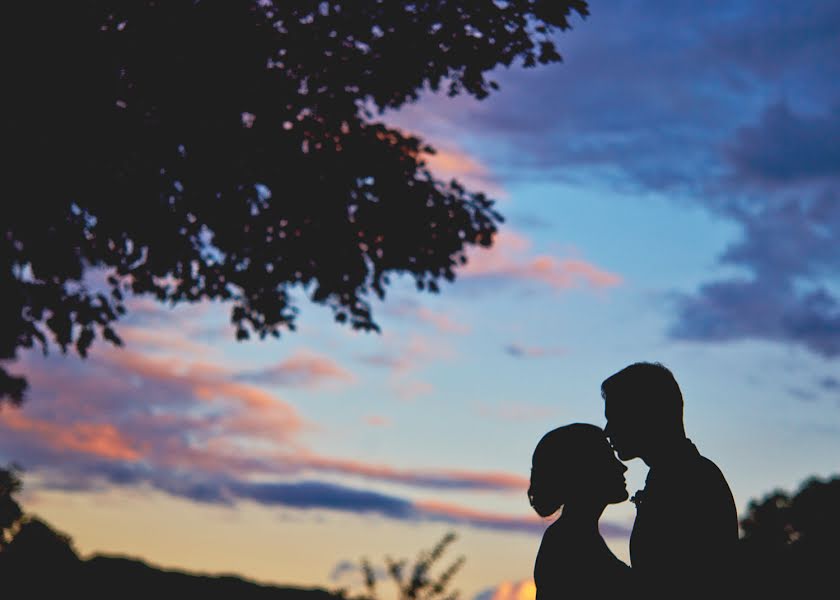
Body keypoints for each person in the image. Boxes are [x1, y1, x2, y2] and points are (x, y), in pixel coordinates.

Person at [601, 362, 738, 597]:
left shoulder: (692, 481)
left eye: (614, 417)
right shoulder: (676, 476)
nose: (606, 430)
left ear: (643, 415)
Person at [529, 423, 633, 599]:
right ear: (584, 471)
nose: (622, 467)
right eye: (608, 458)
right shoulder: (569, 544)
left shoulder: (570, 537)